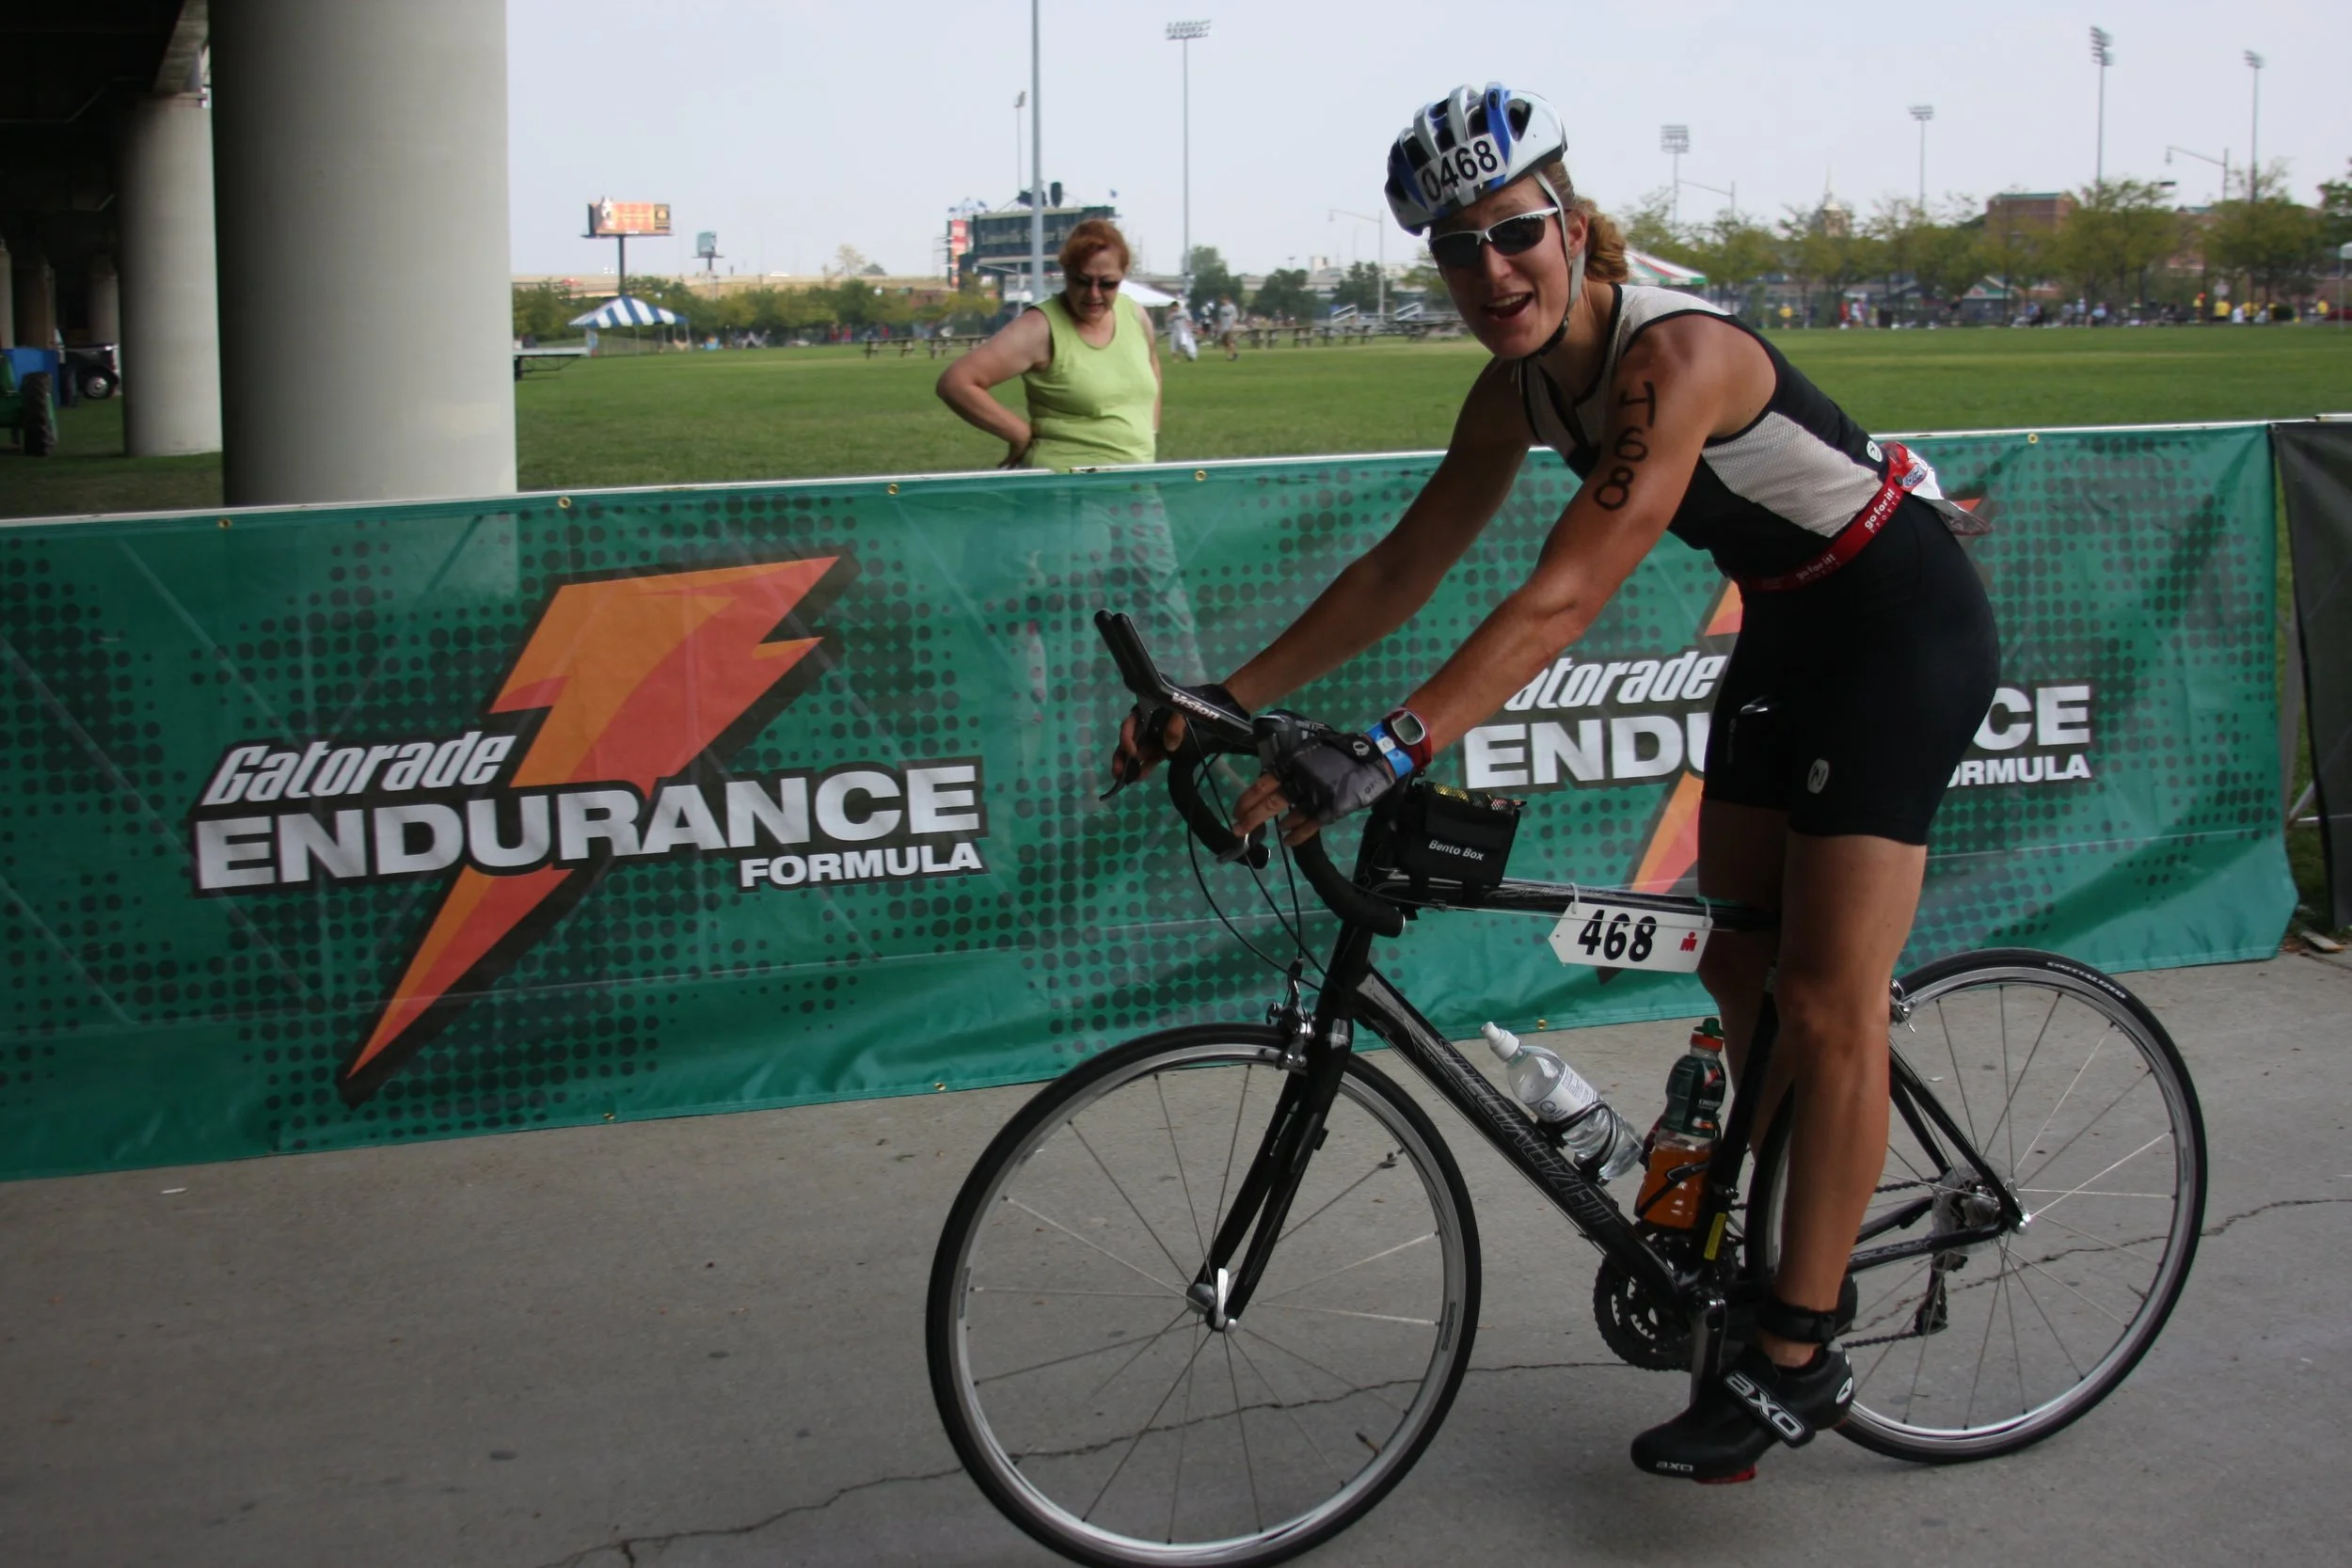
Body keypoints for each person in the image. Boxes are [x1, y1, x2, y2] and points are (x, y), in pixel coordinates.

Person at [1112, 81, 1998, 1485]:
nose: (1490, 271)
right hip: (1788, 626)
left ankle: (1799, 1347)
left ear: (1574, 228)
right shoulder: (1517, 388)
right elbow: (1402, 566)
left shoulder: (1678, 357)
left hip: (1903, 627)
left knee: (1829, 996)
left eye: (1513, 233)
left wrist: (1388, 747)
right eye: (1454, 249)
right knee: (1743, 967)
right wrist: (1226, 697)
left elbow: (1564, 596)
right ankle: (1771, 1228)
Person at [934, 216, 1160, 469]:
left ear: (1122, 275)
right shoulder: (1039, 327)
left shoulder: (1135, 315)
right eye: (1082, 281)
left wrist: (1150, 433)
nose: (1094, 294)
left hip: (1137, 485)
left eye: (1108, 284)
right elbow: (956, 382)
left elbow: (1152, 367)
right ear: (1066, 272)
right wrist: (1018, 433)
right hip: (1064, 485)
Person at [1215, 294, 1240, 359]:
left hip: (1229, 326)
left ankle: (1235, 353)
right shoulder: (1222, 308)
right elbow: (1220, 318)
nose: (1223, 301)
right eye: (1222, 300)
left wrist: (1233, 325)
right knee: (1225, 343)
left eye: (1225, 300)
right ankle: (1228, 356)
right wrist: (1219, 326)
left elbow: (1235, 317)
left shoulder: (1232, 307)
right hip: (1223, 327)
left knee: (1229, 341)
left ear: (1228, 300)